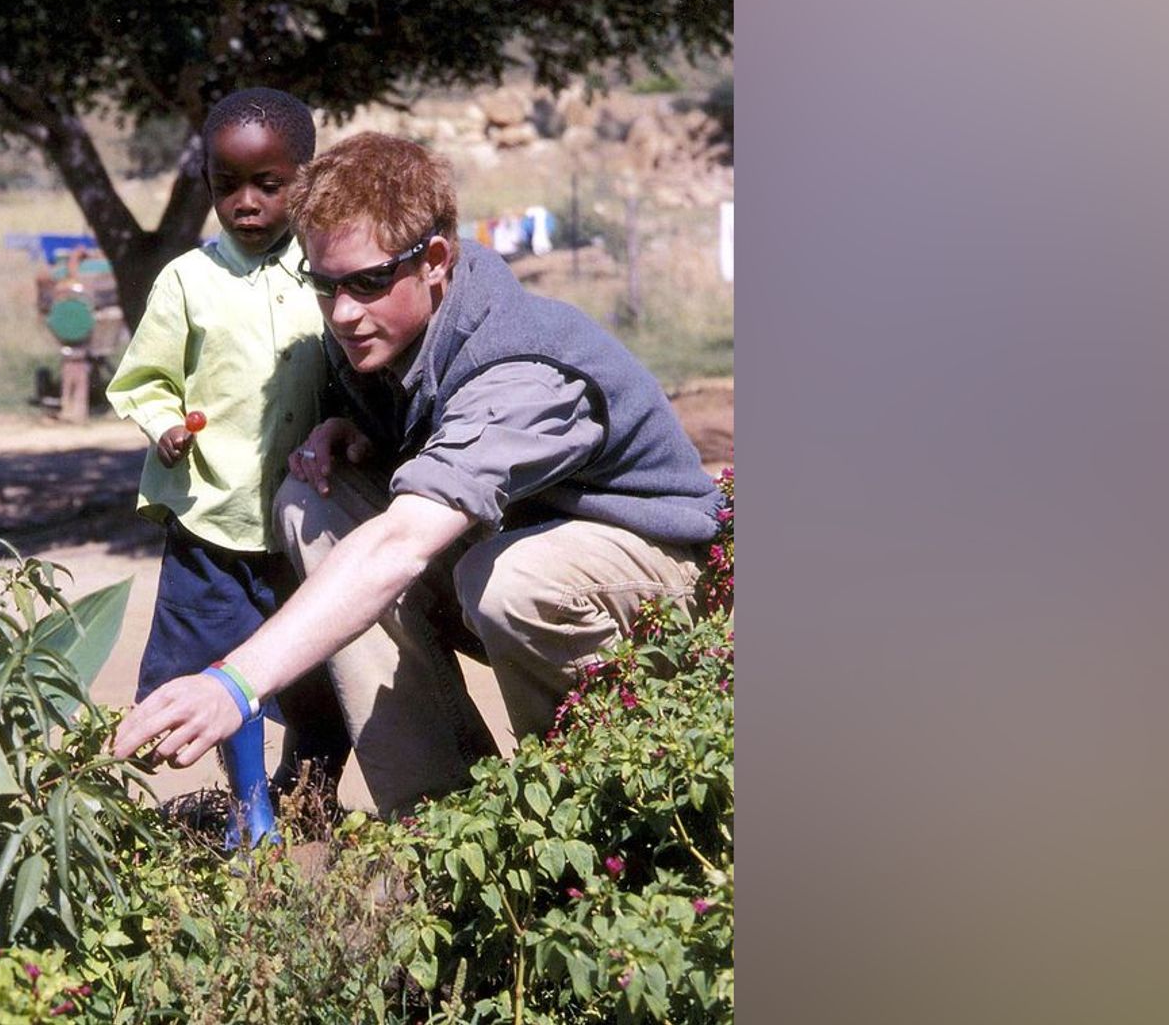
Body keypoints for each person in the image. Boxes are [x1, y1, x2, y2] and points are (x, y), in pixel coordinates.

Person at [114, 132, 724, 817]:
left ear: (434, 260)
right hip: (510, 561)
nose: (343, 312)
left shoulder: (523, 368)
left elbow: (402, 541)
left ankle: (598, 810)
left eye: (369, 282)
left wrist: (235, 682)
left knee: (506, 579)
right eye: (324, 285)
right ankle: (441, 820)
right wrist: (358, 434)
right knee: (312, 502)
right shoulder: (388, 336)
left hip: (657, 582)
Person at [104, 88, 349, 844]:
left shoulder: (328, 270)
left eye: (268, 185)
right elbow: (143, 378)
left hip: (308, 516)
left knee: (323, 668)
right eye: (225, 186)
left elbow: (355, 368)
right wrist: (166, 423)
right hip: (214, 516)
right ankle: (253, 812)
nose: (245, 203)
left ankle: (312, 792)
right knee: (225, 667)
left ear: (304, 178)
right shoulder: (187, 280)